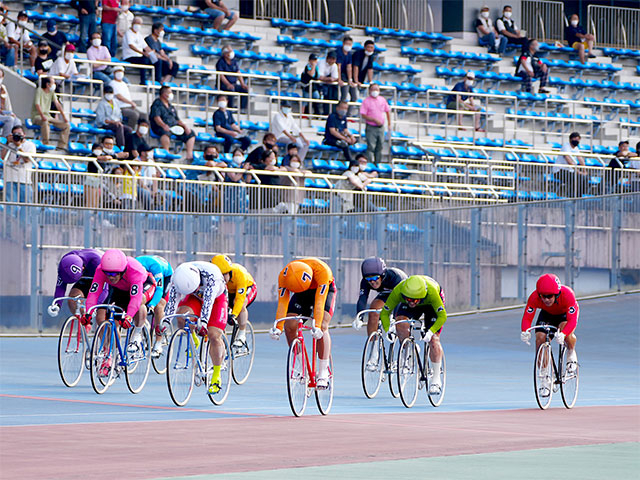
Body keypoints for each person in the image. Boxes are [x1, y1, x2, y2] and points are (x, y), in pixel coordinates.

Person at [270, 258, 336, 388]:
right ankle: (303, 367)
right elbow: (283, 302)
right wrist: (278, 327)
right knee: (290, 325)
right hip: (302, 293)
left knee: (322, 325)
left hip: (324, 290)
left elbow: (319, 302)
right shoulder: (285, 276)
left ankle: (323, 372)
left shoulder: (322, 271)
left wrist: (316, 327)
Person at [164, 261, 229, 394]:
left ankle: (216, 377)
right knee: (182, 316)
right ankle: (194, 339)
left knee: (214, 336)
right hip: (194, 297)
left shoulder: (212, 278)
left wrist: (203, 323)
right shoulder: (178, 277)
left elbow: (208, 303)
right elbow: (172, 303)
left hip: (216, 299)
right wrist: (165, 323)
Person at [84, 249, 157, 363]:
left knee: (140, 302)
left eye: (113, 274)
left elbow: (135, 298)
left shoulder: (134, 270)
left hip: (144, 284)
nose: (110, 277)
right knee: (112, 318)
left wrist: (128, 316)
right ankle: (116, 354)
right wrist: (88, 312)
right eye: (107, 274)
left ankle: (137, 332)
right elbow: (94, 292)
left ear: (123, 271)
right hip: (120, 289)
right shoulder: (101, 270)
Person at [380, 275, 447, 394]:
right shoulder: (399, 290)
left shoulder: (431, 292)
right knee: (400, 321)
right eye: (408, 299)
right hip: (416, 300)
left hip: (430, 305)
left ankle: (436, 380)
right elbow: (385, 313)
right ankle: (408, 349)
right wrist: (387, 330)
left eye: (415, 300)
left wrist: (431, 332)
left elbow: (442, 316)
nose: (411, 303)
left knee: (434, 340)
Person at [520, 274, 579, 396]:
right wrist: (525, 331)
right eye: (543, 296)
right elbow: (527, 317)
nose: (546, 299)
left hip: (564, 315)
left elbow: (572, 320)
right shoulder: (534, 297)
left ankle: (571, 353)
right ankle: (545, 378)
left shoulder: (567, 294)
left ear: (556, 294)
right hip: (547, 315)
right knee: (540, 339)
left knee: (566, 333)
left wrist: (563, 334)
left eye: (549, 296)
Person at [211, 254, 257, 350]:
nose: (222, 279)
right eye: (220, 276)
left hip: (248, 288)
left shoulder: (240, 274)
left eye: (224, 275)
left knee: (241, 304)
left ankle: (242, 334)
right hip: (230, 291)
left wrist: (234, 314)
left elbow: (239, 298)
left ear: (229, 272)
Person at [356, 257, 407, 338]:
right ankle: (374, 347)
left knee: (400, 319)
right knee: (373, 312)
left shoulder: (394, 277)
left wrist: (394, 319)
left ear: (382, 275)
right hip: (387, 293)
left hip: (403, 294)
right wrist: (359, 317)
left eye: (375, 278)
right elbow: (363, 298)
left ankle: (406, 345)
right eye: (368, 279)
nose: (372, 282)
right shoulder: (365, 282)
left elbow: (398, 300)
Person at [135, 254, 173, 358]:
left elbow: (159, 290)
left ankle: (158, 343)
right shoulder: (134, 266)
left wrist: (151, 305)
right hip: (147, 273)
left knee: (159, 305)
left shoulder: (156, 268)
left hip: (166, 276)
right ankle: (144, 323)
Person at [51, 249, 105, 321]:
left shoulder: (97, 261)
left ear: (82, 268)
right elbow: (60, 285)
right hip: (86, 277)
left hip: (102, 278)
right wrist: (57, 304)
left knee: (100, 317)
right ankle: (84, 322)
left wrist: (96, 307)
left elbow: (105, 288)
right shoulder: (66, 262)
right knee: (73, 298)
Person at [150, 85, 196, 161]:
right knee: (165, 132)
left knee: (190, 133)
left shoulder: (171, 106)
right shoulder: (157, 104)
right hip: (161, 127)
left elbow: (177, 119)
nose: (171, 94)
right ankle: (166, 152)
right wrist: (164, 125)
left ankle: (189, 155)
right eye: (170, 92)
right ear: (164, 94)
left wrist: (185, 126)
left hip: (174, 127)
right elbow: (156, 117)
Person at [31, 76, 70, 151]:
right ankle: (46, 143)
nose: (54, 84)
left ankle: (61, 145)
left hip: (48, 116)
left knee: (66, 125)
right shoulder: (39, 90)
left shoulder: (52, 92)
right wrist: (42, 115)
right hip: (37, 116)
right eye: (53, 83)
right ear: (47, 84)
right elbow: (37, 104)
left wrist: (64, 117)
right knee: (45, 122)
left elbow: (57, 104)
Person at [2, 125, 35, 204]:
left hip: (24, 179)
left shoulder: (30, 145)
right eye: (15, 134)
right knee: (10, 203)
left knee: (26, 204)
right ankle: (10, 217)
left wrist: (19, 146)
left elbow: (27, 159)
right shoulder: (10, 145)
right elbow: (3, 157)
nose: (17, 136)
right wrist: (7, 142)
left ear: (24, 134)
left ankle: (25, 217)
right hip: (10, 178)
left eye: (19, 134)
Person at [360, 83, 390, 164]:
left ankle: (378, 164)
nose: (375, 91)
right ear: (369, 90)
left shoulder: (382, 100)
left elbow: (387, 111)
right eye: (373, 89)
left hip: (381, 127)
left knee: (380, 146)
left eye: (376, 89)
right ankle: (369, 163)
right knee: (371, 146)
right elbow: (363, 114)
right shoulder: (366, 101)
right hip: (371, 127)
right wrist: (373, 119)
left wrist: (389, 123)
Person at [216, 45, 248, 111]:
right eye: (230, 51)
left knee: (244, 90)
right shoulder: (220, 62)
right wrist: (228, 84)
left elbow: (238, 72)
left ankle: (242, 109)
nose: (231, 53)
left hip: (233, 83)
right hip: (223, 84)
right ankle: (231, 108)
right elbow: (221, 75)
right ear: (225, 54)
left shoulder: (234, 61)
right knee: (231, 89)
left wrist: (242, 84)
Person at [555, 132, 587, 197]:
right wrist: (578, 171)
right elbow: (568, 159)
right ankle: (572, 196)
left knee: (584, 178)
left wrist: (584, 171)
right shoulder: (566, 146)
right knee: (576, 177)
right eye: (575, 138)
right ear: (570, 139)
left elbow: (580, 159)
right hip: (560, 171)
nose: (577, 140)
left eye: (578, 139)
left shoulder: (576, 148)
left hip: (570, 171)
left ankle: (579, 196)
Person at [123, 16, 153, 84]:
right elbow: (131, 45)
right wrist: (143, 53)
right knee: (144, 59)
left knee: (155, 60)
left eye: (140, 24)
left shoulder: (138, 34)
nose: (138, 25)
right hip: (129, 56)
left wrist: (152, 53)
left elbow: (145, 46)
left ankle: (156, 80)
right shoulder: (128, 33)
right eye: (137, 23)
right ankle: (143, 81)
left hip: (139, 56)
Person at [335, 35, 357, 114]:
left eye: (350, 44)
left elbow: (349, 67)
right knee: (344, 95)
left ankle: (349, 114)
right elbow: (338, 66)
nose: (348, 46)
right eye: (347, 43)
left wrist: (350, 79)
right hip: (341, 75)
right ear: (343, 43)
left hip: (347, 76)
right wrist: (339, 78)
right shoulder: (339, 52)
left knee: (354, 96)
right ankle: (339, 112)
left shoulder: (349, 54)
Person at [0, 69, 21, 137]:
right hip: (2, 114)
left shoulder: (3, 88)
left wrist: (10, 113)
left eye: (0, 77)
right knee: (9, 119)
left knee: (17, 120)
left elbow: (7, 103)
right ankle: (5, 141)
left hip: (3, 114)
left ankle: (16, 140)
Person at [318, 51, 339, 115]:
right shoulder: (321, 63)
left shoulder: (334, 65)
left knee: (334, 94)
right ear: (327, 58)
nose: (332, 61)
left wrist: (329, 79)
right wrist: (329, 79)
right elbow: (319, 77)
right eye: (331, 58)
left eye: (334, 59)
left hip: (326, 83)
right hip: (318, 83)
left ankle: (332, 113)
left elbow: (335, 78)